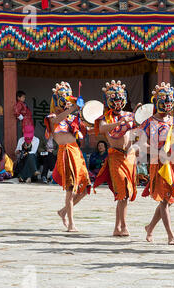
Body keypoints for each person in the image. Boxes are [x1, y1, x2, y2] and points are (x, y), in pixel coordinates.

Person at [140, 82, 174, 245]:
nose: (167, 103)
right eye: (164, 100)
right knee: (164, 201)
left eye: (170, 100)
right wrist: (157, 151)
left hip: (173, 163)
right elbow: (141, 145)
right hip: (158, 164)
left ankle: (150, 228)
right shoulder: (148, 123)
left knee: (168, 200)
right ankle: (170, 236)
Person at [93, 80, 139, 237]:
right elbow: (103, 128)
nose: (118, 101)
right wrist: (119, 122)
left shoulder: (129, 115)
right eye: (115, 98)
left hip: (129, 156)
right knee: (122, 192)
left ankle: (118, 227)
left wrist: (138, 115)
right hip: (115, 156)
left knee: (126, 193)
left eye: (120, 98)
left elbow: (139, 127)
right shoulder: (105, 117)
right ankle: (122, 226)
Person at [45, 81, 91, 232]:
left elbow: (88, 129)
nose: (65, 99)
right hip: (65, 152)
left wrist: (89, 114)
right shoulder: (52, 116)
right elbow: (57, 121)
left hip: (76, 152)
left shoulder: (73, 118)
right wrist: (73, 109)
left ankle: (63, 211)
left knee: (85, 189)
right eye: (62, 96)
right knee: (70, 189)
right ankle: (71, 223)